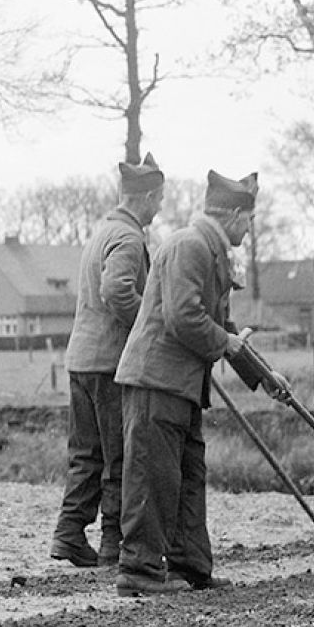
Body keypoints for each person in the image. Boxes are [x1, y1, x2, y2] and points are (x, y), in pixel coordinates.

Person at [111, 169, 257, 597]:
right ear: (232, 215)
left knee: (188, 476)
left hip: (182, 387)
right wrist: (226, 344)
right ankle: (138, 569)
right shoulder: (189, 246)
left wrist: (264, 378)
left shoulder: (213, 252)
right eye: (248, 220)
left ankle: (190, 567)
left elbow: (223, 327)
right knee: (153, 477)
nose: (249, 229)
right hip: (156, 381)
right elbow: (184, 318)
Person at [50, 153, 165, 568]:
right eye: (160, 199)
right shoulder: (130, 238)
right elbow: (117, 290)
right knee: (119, 454)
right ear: (147, 197)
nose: (160, 208)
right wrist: (149, 325)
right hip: (108, 363)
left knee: (85, 453)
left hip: (80, 360)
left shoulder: (103, 230)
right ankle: (113, 543)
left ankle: (68, 534)